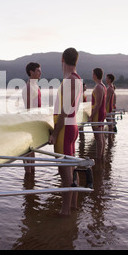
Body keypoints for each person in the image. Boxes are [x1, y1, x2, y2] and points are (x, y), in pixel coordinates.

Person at [49, 48, 83, 216]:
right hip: (73, 126)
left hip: (66, 129)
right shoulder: (77, 79)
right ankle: (74, 205)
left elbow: (64, 110)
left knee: (65, 171)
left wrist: (54, 134)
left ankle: (65, 211)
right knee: (72, 167)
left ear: (62, 59)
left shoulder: (70, 80)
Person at [22, 62, 42, 174]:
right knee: (28, 151)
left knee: (33, 150)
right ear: (31, 72)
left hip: (35, 122)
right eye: (38, 70)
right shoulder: (29, 87)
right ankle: (28, 177)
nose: (40, 72)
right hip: (30, 122)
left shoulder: (36, 86)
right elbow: (29, 109)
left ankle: (30, 184)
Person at [89, 68, 107, 159]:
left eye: (93, 74)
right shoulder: (103, 86)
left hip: (97, 114)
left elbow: (98, 103)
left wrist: (91, 116)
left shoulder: (98, 87)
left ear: (95, 75)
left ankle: (98, 158)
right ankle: (101, 156)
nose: (92, 76)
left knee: (98, 137)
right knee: (101, 136)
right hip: (101, 113)